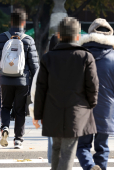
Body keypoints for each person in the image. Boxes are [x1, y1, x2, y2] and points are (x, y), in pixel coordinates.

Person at [34, 17, 99, 170]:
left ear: (58, 35)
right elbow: (93, 86)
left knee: (56, 148)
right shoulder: (85, 57)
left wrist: (38, 114)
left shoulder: (48, 58)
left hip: (52, 111)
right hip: (76, 111)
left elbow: (41, 88)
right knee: (68, 151)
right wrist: (90, 104)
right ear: (77, 36)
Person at [78, 18, 114, 170]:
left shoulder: (80, 56)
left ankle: (89, 166)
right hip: (106, 107)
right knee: (102, 147)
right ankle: (100, 167)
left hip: (84, 107)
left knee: (82, 146)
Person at [0, 8, 39, 149]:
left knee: (5, 106)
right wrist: (36, 84)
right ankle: (18, 140)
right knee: (20, 109)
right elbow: (34, 66)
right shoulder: (28, 40)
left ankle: (4, 128)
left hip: (4, 80)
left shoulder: (2, 38)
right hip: (22, 81)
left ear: (11, 22)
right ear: (24, 22)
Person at [29, 34, 59, 164]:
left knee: (52, 141)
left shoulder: (45, 63)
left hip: (49, 110)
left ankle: (54, 164)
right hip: (70, 110)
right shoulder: (74, 61)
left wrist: (35, 113)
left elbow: (35, 91)